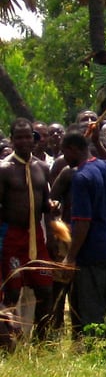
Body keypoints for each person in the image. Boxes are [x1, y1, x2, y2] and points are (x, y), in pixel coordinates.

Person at [61, 129, 106, 339]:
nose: (64, 158)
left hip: (92, 249)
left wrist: (70, 256)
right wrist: (100, 144)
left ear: (73, 149)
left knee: (92, 304)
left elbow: (83, 223)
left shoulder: (81, 177)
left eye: (65, 152)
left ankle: (96, 348)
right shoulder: (102, 167)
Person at [0, 118, 55, 341]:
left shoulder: (42, 167)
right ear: (12, 140)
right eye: (19, 137)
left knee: (45, 290)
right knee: (12, 291)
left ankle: (42, 342)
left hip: (36, 236)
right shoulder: (4, 169)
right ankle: (10, 340)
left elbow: (45, 204)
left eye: (27, 137)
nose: (24, 141)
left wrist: (51, 230)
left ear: (34, 139)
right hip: (12, 236)